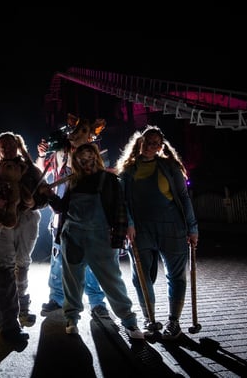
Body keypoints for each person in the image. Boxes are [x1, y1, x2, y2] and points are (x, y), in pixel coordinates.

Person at [38, 142, 144, 339]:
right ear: (76, 162)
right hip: (73, 237)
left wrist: (121, 235)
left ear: (97, 157)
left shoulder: (110, 180)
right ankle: (71, 319)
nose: (87, 163)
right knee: (72, 281)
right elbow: (62, 208)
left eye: (90, 158)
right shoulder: (74, 181)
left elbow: (120, 207)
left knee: (112, 281)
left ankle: (130, 322)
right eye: (82, 160)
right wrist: (50, 196)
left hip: (101, 239)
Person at [116, 125, 199, 340]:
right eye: (147, 141)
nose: (151, 146)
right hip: (141, 229)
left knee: (176, 275)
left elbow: (183, 197)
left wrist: (192, 228)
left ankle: (174, 322)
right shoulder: (128, 170)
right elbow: (122, 201)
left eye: (156, 143)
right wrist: (129, 224)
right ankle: (150, 319)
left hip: (172, 226)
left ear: (161, 146)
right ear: (139, 143)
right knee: (141, 276)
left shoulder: (170, 167)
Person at [0, 131, 48, 343]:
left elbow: (43, 195)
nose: (6, 148)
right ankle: (8, 324)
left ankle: (23, 307)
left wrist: (34, 203)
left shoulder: (31, 170)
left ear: (18, 145)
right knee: (2, 270)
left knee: (22, 265)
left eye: (10, 144)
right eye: (2, 145)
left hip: (25, 223)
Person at [35, 116, 110, 319]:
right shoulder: (59, 152)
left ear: (91, 134)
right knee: (58, 259)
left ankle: (97, 302)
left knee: (92, 262)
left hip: (90, 219)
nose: (76, 134)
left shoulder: (96, 156)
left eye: (82, 131)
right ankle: (56, 298)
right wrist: (43, 153)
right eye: (73, 130)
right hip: (61, 217)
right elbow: (42, 169)